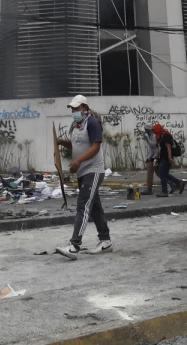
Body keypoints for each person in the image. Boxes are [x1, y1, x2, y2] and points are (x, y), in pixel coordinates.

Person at [56, 95, 112, 259]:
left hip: (93, 170)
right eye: (72, 109)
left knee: (83, 205)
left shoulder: (92, 123)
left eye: (76, 108)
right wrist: (60, 142)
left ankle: (74, 245)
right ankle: (105, 241)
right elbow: (76, 145)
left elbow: (96, 147)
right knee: (94, 206)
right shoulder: (75, 126)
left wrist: (79, 160)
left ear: (84, 108)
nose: (74, 111)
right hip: (82, 171)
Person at [152, 123, 186, 197]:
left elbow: (168, 147)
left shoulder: (165, 135)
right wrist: (156, 157)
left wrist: (170, 158)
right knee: (164, 174)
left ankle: (164, 191)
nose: (155, 133)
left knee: (162, 174)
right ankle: (179, 182)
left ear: (159, 129)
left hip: (166, 158)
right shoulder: (160, 136)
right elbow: (160, 148)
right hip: (162, 158)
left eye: (156, 131)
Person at [141, 124, 158, 195]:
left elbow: (153, 145)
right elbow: (150, 149)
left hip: (154, 157)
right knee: (151, 173)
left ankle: (149, 189)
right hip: (152, 156)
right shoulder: (151, 136)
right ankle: (149, 188)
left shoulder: (153, 136)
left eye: (147, 130)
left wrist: (147, 139)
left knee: (151, 173)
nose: (146, 131)